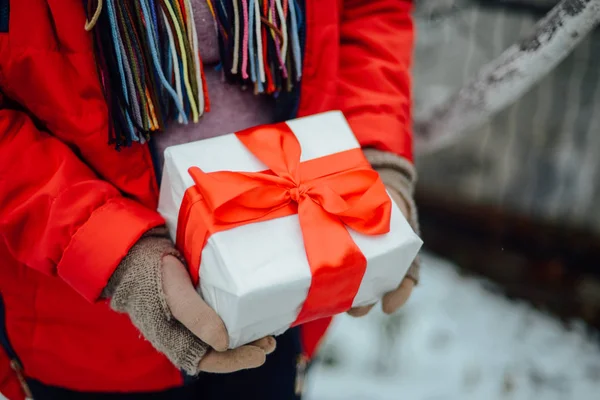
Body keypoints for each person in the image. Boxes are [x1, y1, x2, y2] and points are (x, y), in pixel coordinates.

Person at [0, 0, 419, 398]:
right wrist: (111, 252)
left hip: (286, 278)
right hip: (82, 328)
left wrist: (372, 154)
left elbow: (369, 12)